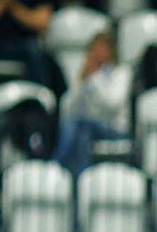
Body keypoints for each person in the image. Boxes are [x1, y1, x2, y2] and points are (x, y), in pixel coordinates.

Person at [51, 31, 130, 176]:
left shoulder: (121, 73)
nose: (98, 53)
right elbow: (67, 107)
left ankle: (56, 167)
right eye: (95, 48)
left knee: (77, 125)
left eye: (103, 48)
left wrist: (95, 79)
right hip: (87, 126)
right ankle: (81, 179)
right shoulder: (86, 72)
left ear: (111, 51)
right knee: (81, 131)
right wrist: (80, 83)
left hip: (114, 129)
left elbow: (112, 105)